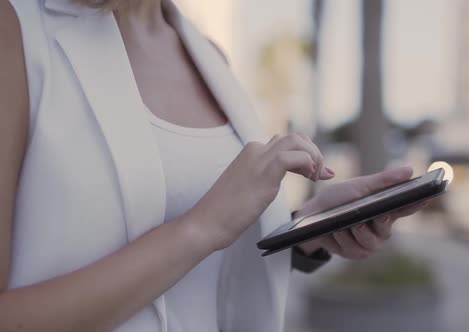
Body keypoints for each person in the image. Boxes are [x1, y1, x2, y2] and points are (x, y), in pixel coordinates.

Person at [0, 0, 427, 331]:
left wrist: (299, 230)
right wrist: (201, 227)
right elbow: (207, 225)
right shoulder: (16, 29)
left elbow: (204, 274)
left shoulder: (208, 55)